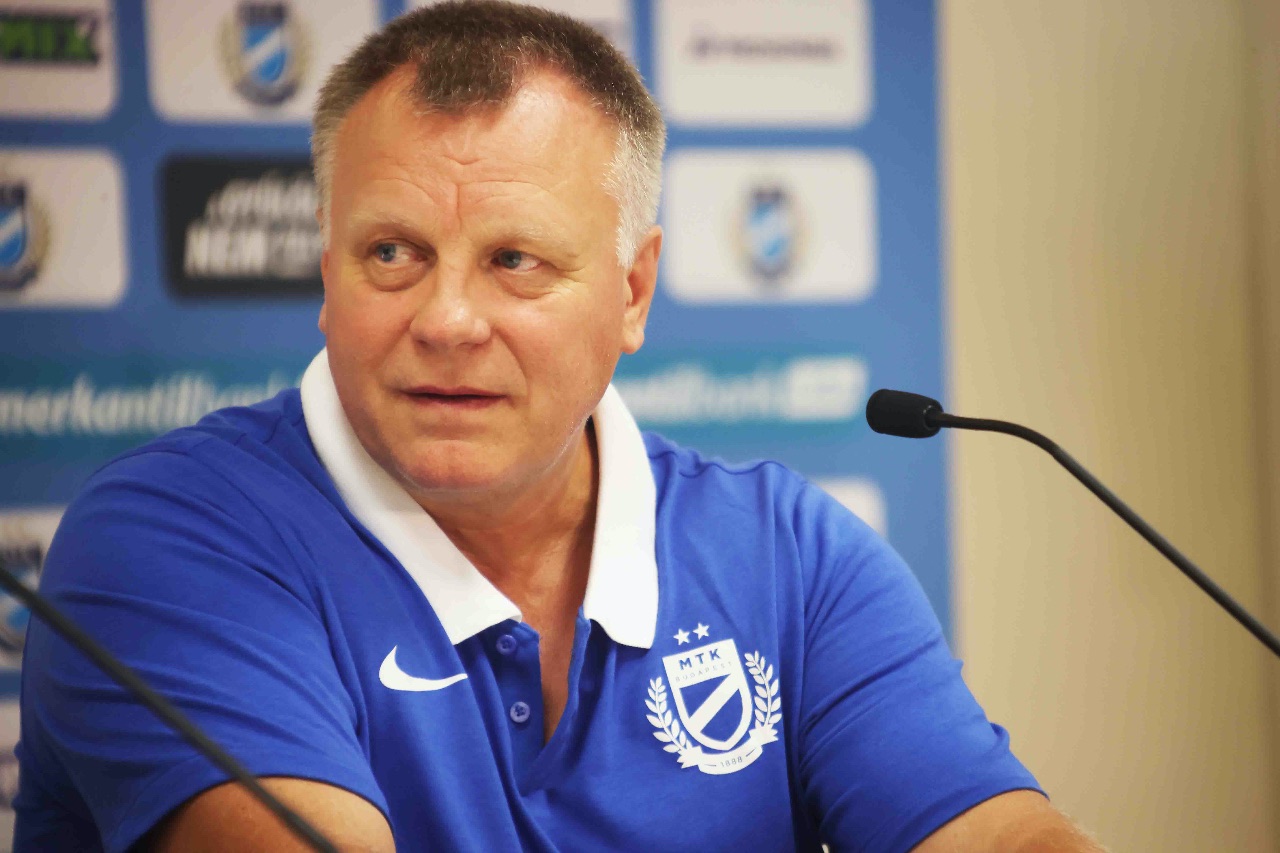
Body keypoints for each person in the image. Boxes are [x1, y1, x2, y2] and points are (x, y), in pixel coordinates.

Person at [14, 2, 1104, 851]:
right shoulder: (163, 539)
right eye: (391, 253)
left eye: (514, 261)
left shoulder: (792, 557)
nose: (446, 320)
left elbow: (994, 833)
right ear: (327, 270)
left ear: (633, 291)